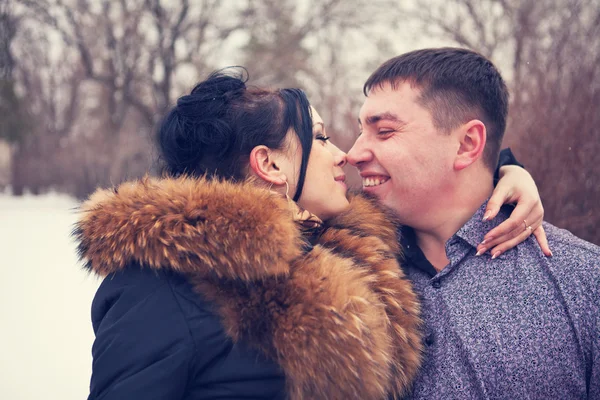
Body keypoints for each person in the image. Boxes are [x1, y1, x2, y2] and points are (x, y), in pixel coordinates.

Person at [75, 69, 546, 399]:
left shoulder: (342, 248)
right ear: (270, 164)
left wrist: (506, 172)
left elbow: (441, 183)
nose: (343, 154)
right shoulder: (162, 288)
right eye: (319, 138)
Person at [347, 47, 599, 399]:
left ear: (467, 144)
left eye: (385, 131)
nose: (353, 154)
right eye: (361, 131)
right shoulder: (340, 275)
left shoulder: (585, 282)